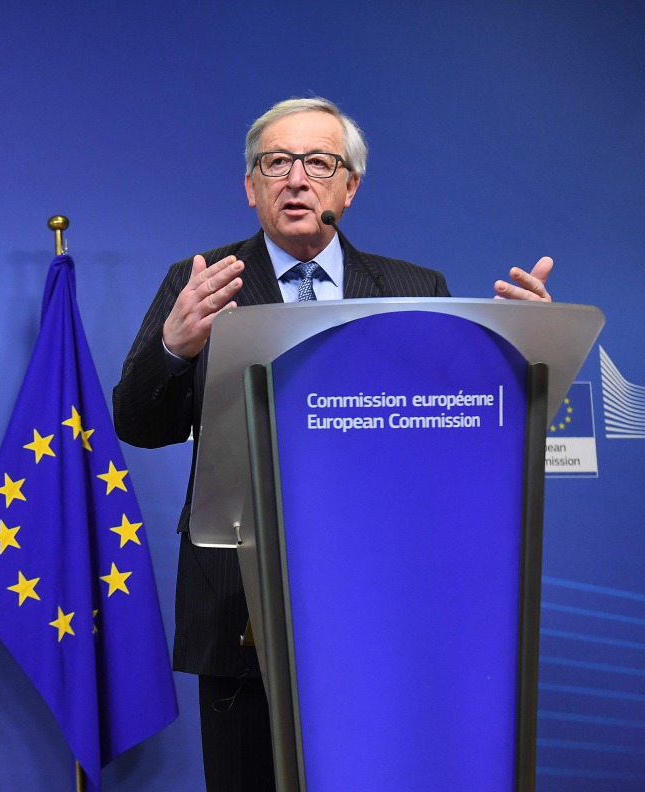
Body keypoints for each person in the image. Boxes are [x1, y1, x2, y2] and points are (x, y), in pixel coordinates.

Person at [111, 97, 551, 792]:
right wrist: (175, 345)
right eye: (276, 162)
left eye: (319, 162)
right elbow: (139, 423)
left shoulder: (413, 289)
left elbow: (457, 435)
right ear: (249, 186)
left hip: (389, 601)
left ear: (349, 187)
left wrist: (521, 357)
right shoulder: (200, 281)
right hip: (241, 607)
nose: (296, 179)